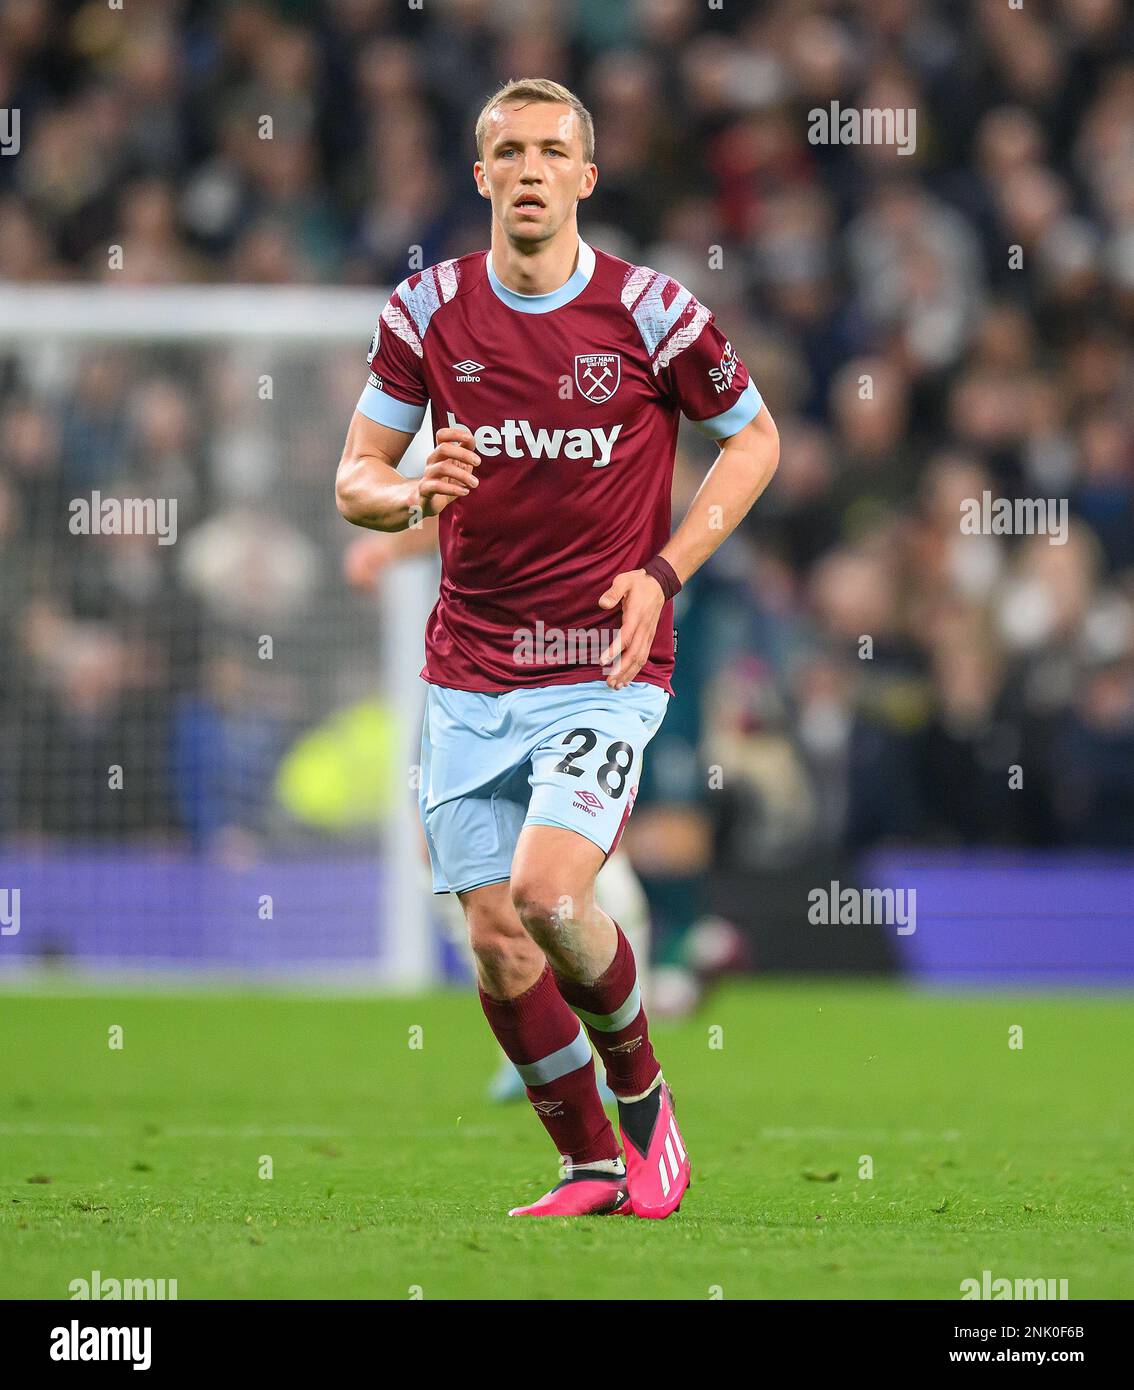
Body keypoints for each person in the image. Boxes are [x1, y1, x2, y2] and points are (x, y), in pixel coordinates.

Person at [335, 78, 779, 1219]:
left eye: (552, 152)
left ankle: (647, 1112)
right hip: (468, 670)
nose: (530, 170)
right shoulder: (426, 310)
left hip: (603, 662)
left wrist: (666, 571)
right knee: (492, 941)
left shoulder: (655, 313)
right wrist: (404, 498)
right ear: (480, 176)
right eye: (508, 152)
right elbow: (355, 478)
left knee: (546, 890)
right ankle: (588, 1164)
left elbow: (755, 441)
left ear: (586, 176)